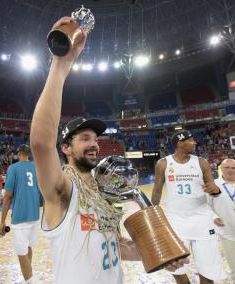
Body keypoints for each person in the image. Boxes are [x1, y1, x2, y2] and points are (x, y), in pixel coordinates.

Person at [29, 17, 187, 284]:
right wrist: (61, 63)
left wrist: (162, 254)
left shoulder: (102, 192)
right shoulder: (62, 189)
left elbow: (115, 245)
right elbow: (42, 143)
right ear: (66, 148)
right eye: (85, 138)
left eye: (96, 138)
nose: (94, 144)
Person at [151, 130, 226, 284]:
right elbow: (157, 191)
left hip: (202, 221)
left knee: (208, 270)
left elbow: (214, 191)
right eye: (191, 140)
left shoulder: (201, 162)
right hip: (176, 222)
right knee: (177, 269)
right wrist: (152, 217)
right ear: (180, 143)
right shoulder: (163, 163)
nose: (195, 142)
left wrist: (215, 191)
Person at [0, 144, 41, 284]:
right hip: (35, 215)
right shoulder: (36, 167)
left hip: (20, 216)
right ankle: (28, 277)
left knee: (21, 253)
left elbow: (7, 196)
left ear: (19, 153)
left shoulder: (13, 168)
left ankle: (31, 281)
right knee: (28, 247)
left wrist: (2, 221)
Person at [207, 158, 235, 283]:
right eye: (227, 168)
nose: (230, 170)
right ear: (221, 169)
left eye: (233, 168)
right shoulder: (213, 185)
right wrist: (213, 216)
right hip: (227, 233)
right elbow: (206, 206)